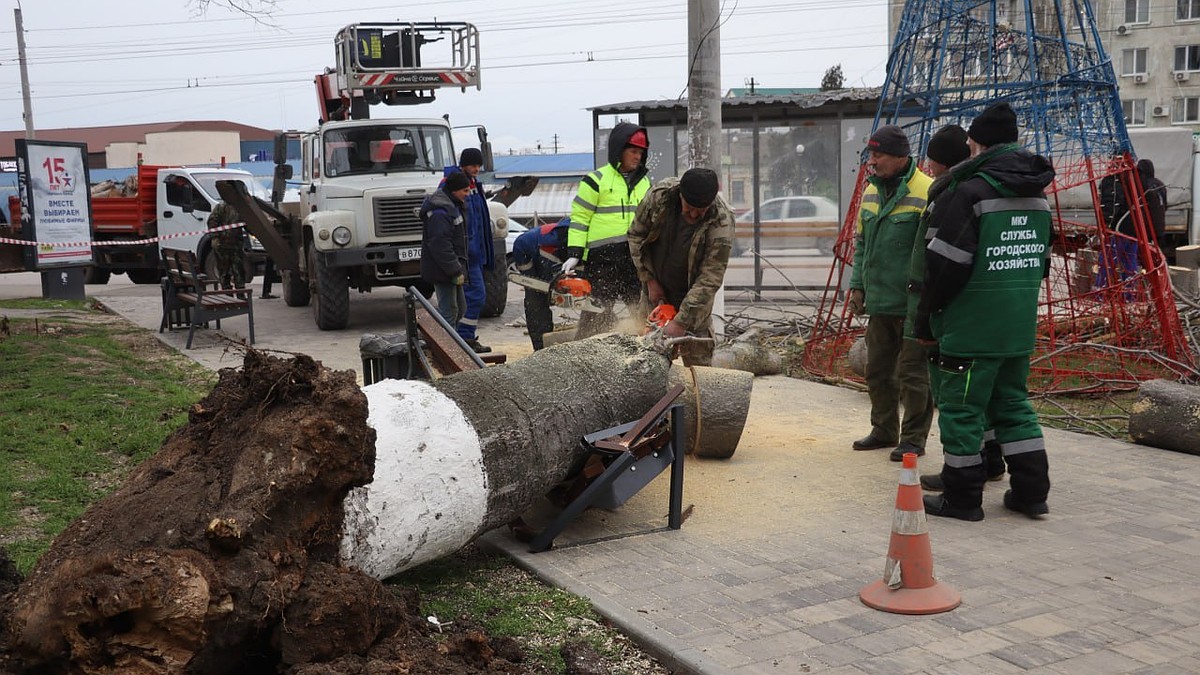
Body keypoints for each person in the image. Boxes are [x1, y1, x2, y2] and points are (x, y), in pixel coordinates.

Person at [914, 102, 1056, 522]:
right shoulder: (1037, 196)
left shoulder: (970, 192)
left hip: (971, 326)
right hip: (1017, 325)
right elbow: (1042, 264)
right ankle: (1031, 494)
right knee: (1013, 405)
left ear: (975, 144)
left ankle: (962, 499)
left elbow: (945, 266)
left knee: (961, 410)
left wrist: (927, 316)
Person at [906, 124, 1007, 490]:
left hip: (948, 310)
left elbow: (941, 262)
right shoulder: (960, 189)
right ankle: (989, 460)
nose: (928, 165)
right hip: (968, 311)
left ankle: (967, 472)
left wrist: (927, 313)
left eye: (932, 159)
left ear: (942, 162)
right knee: (981, 395)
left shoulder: (952, 194)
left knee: (956, 397)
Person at [846, 124, 934, 462]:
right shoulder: (871, 191)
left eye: (878, 155)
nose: (872, 161)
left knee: (913, 374)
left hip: (913, 304)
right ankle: (883, 429)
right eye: (871, 154)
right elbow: (862, 245)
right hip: (880, 302)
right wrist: (857, 286)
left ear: (900, 157)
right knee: (878, 370)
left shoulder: (927, 190)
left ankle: (913, 439)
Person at [627, 168, 734, 367]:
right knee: (643, 361)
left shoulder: (721, 223)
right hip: (656, 290)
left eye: (700, 211)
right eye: (689, 207)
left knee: (700, 369)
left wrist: (681, 322)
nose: (693, 214)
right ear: (681, 195)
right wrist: (649, 279)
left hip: (695, 302)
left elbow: (710, 279)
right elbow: (636, 235)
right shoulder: (659, 198)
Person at [564, 122, 651, 339]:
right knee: (596, 313)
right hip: (603, 258)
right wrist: (575, 253)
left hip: (634, 257)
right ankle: (585, 350)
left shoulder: (645, 183)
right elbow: (580, 219)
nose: (638, 156)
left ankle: (644, 349)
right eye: (633, 151)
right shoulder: (595, 180)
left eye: (641, 152)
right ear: (619, 150)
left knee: (641, 311)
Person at [442, 148, 495, 354]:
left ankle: (463, 338)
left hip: (474, 253)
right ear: (464, 164)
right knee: (475, 296)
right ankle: (463, 338)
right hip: (466, 255)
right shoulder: (455, 185)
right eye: (473, 165)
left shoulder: (472, 185)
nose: (477, 169)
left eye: (479, 165)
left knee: (469, 298)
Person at [510, 217, 570, 350]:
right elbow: (550, 271)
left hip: (543, 247)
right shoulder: (555, 239)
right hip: (525, 250)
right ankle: (541, 346)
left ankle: (543, 341)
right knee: (535, 296)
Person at [419, 171, 471, 325]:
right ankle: (446, 340)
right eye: (465, 190)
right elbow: (440, 245)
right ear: (454, 190)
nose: (467, 194)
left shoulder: (451, 206)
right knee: (449, 311)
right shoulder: (440, 213)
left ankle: (451, 339)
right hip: (443, 271)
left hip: (449, 269)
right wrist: (454, 269)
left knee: (459, 309)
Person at [207, 201, 247, 290]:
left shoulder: (239, 208)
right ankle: (228, 292)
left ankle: (237, 292)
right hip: (223, 244)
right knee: (225, 271)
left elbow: (247, 225)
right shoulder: (222, 207)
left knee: (237, 270)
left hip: (234, 245)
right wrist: (216, 238)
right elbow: (212, 223)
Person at [1138, 158, 1167, 245]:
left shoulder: (1143, 184)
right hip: (1160, 225)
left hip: (1148, 227)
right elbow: (1165, 205)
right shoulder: (1159, 183)